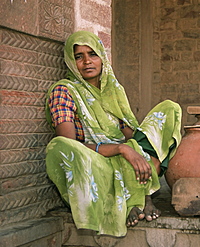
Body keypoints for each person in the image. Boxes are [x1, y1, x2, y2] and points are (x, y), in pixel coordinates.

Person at [45, 30, 182, 237]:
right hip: (96, 161)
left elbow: (131, 134)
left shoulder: (112, 90)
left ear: (102, 57)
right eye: (79, 57)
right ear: (71, 62)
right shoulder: (64, 91)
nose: (87, 62)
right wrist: (120, 149)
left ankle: (134, 193)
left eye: (92, 54)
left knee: (168, 110)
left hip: (124, 153)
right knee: (61, 147)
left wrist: (135, 147)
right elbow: (70, 144)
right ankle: (141, 197)